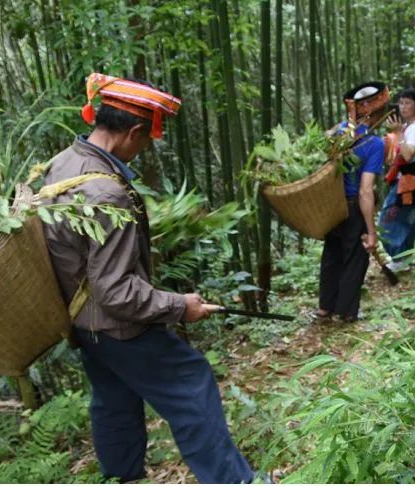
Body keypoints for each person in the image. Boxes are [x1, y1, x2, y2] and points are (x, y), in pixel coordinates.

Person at [42, 73, 255, 483]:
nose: (144, 149)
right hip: (118, 326)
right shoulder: (106, 193)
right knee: (192, 384)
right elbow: (117, 292)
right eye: (147, 140)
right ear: (134, 131)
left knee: (114, 400)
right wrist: (180, 306)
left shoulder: (63, 163)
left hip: (83, 322)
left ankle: (123, 477)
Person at [317, 82, 388, 322]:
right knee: (354, 259)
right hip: (353, 207)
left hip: (331, 205)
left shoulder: (337, 135)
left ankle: (325, 308)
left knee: (332, 255)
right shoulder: (375, 143)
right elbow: (366, 191)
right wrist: (371, 231)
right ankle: (345, 313)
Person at [379, 87, 415, 272]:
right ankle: (404, 259)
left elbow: (408, 154)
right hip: (410, 183)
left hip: (410, 184)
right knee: (406, 221)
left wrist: (399, 134)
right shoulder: (409, 127)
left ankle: (397, 258)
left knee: (388, 219)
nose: (403, 107)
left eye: (408, 103)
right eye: (401, 103)